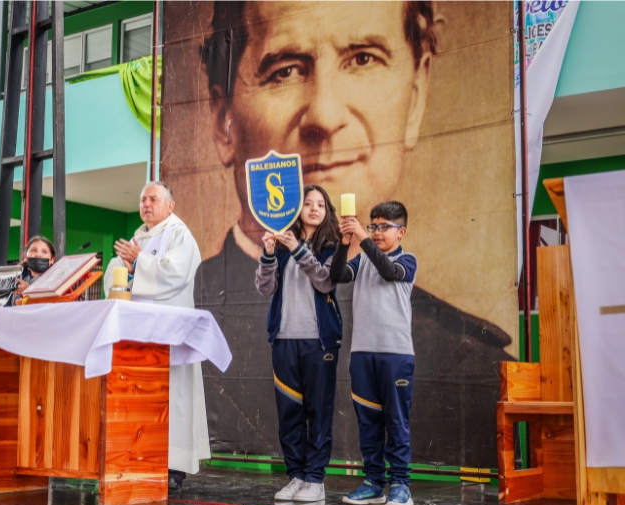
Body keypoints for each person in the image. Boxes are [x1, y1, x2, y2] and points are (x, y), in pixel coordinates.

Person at [188, 0, 513, 468]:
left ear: (416, 95)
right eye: (284, 71)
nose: (324, 115)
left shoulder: (475, 362)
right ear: (225, 119)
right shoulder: (190, 316)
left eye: (363, 59)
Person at [103, 181, 208, 491]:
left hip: (169, 334)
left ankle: (173, 466)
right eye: (142, 200)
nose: (146, 204)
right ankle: (139, 457)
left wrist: (139, 262)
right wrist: (127, 267)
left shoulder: (179, 234)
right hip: (138, 334)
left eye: (153, 199)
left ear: (170, 205)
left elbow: (177, 274)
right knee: (141, 394)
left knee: (173, 397)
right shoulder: (138, 237)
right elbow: (114, 275)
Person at [255, 185, 342, 502]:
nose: (315, 208)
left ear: (327, 211)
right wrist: (269, 253)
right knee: (289, 412)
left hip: (320, 343)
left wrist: (298, 249)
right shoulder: (281, 246)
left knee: (318, 411)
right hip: (284, 340)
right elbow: (266, 288)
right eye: (308, 203)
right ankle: (296, 476)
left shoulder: (332, 247)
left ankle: (315, 479)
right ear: (296, 208)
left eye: (321, 204)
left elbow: (326, 281)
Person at [329, 201, 416, 505]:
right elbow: (337, 274)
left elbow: (389, 271)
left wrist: (362, 238)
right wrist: (344, 242)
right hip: (362, 354)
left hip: (396, 355)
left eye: (384, 227)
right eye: (373, 226)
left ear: (401, 232)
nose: (377, 232)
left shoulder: (407, 260)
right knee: (368, 421)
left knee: (396, 421)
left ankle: (401, 485)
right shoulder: (362, 260)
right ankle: (374, 483)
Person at [0, 236, 56, 477]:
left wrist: (32, 293)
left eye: (43, 252)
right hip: (7, 349)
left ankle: (35, 461)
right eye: (33, 250)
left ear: (52, 259)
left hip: (41, 357)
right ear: (25, 256)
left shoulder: (59, 281)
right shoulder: (10, 279)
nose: (38, 255)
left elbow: (61, 311)